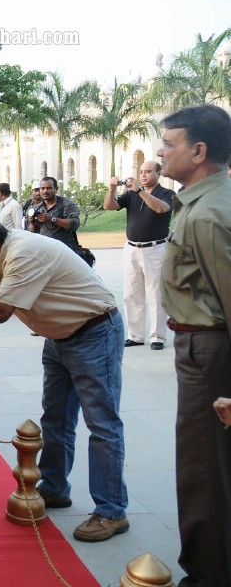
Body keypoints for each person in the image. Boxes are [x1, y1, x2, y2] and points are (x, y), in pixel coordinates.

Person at [0, 209, 128, 542]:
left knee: (103, 425)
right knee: (55, 419)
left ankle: (112, 511)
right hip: (60, 336)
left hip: (94, 333)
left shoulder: (23, 253)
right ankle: (55, 488)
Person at [156, 104, 231, 586]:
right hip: (202, 346)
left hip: (208, 352)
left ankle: (207, 575)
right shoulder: (204, 200)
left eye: (168, 144)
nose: (161, 153)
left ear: (198, 151)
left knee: (203, 471)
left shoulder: (208, 214)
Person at [103, 162, 175, 351]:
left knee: (156, 294)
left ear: (159, 173)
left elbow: (160, 209)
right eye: (141, 172)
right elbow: (109, 206)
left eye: (148, 172)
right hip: (132, 249)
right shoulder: (130, 195)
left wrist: (141, 190)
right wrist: (111, 189)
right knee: (131, 294)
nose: (143, 175)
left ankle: (157, 337)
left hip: (156, 249)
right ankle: (135, 335)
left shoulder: (166, 193)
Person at [30, 177, 82, 253]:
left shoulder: (67, 204)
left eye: (49, 188)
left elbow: (74, 224)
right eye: (42, 188)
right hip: (45, 250)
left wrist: (52, 219)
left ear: (56, 189)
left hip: (64, 250)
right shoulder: (37, 208)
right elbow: (31, 233)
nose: (45, 191)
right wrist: (32, 223)